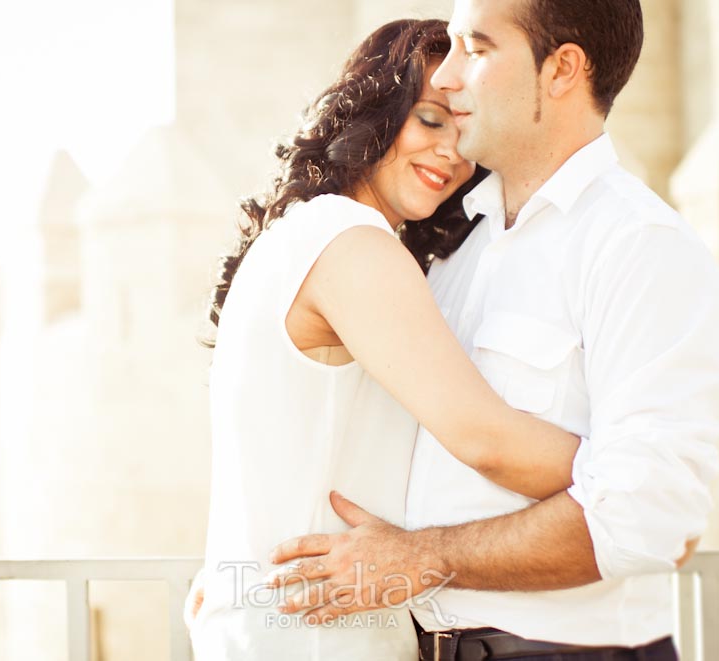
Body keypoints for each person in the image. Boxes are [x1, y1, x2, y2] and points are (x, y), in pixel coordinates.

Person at [269, 1, 719, 660]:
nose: (449, 76)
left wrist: (421, 558)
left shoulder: (642, 248)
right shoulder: (452, 252)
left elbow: (647, 517)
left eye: (477, 48)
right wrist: (239, 587)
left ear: (562, 70)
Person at [191, 17, 590, 661]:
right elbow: (483, 437)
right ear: (378, 109)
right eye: (431, 120)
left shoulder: (297, 236)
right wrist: (633, 476)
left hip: (273, 625)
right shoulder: (352, 243)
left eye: (467, 135)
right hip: (321, 635)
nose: (451, 155)